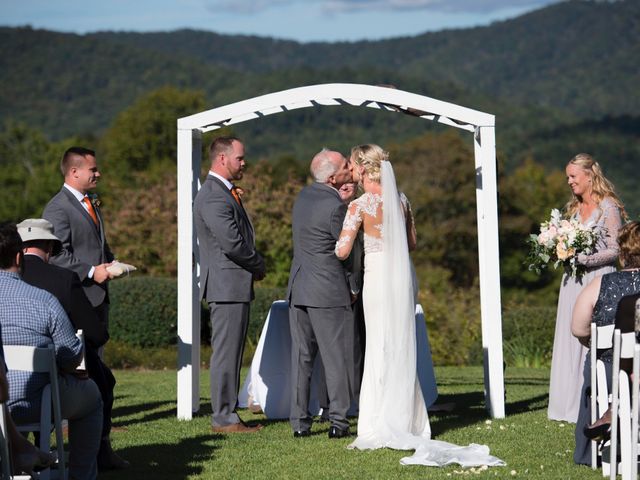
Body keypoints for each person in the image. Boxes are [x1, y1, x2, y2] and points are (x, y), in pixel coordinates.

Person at [335, 144, 503, 467]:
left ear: (363, 168)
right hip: (402, 276)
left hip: (378, 277)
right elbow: (412, 243)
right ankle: (409, 421)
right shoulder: (402, 200)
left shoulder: (360, 204)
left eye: (354, 167)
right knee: (400, 344)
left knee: (379, 345)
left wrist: (342, 245)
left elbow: (343, 250)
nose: (352, 173)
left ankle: (376, 422)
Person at [17, 218, 127, 470]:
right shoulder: (63, 278)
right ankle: (95, 457)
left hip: (10, 385)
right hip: (55, 380)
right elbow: (95, 334)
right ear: (49, 246)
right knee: (102, 384)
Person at [0, 223, 103, 480]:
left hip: (3, 405)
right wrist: (68, 365)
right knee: (92, 398)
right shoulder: (43, 300)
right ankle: (81, 475)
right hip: (36, 403)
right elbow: (70, 354)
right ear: (17, 256)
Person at [194, 136, 266, 434]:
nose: (243, 162)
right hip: (226, 284)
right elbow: (232, 243)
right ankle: (223, 417)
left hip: (231, 283)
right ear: (222, 159)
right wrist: (258, 263)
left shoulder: (222, 192)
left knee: (231, 351)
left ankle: (228, 413)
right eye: (239, 157)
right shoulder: (212, 194)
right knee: (226, 353)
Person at [548, 153, 626, 423]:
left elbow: (616, 250)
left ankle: (591, 401)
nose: (569, 182)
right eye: (567, 177)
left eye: (573, 176)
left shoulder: (608, 208)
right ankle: (565, 404)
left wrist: (586, 259)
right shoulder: (572, 209)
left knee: (591, 337)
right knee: (570, 336)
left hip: (597, 279)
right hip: (572, 280)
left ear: (589, 175)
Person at [287, 148, 354, 438]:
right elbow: (346, 253)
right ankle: (339, 421)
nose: (349, 170)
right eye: (344, 167)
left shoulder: (302, 198)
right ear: (331, 178)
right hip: (327, 290)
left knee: (302, 358)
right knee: (336, 357)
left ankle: (300, 423)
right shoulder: (336, 207)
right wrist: (353, 285)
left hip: (298, 287)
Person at [571, 221, 640, 465]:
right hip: (632, 373)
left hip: (609, 371)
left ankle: (610, 415)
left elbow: (578, 328)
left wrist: (595, 345)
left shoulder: (601, 284)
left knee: (596, 363)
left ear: (623, 254)